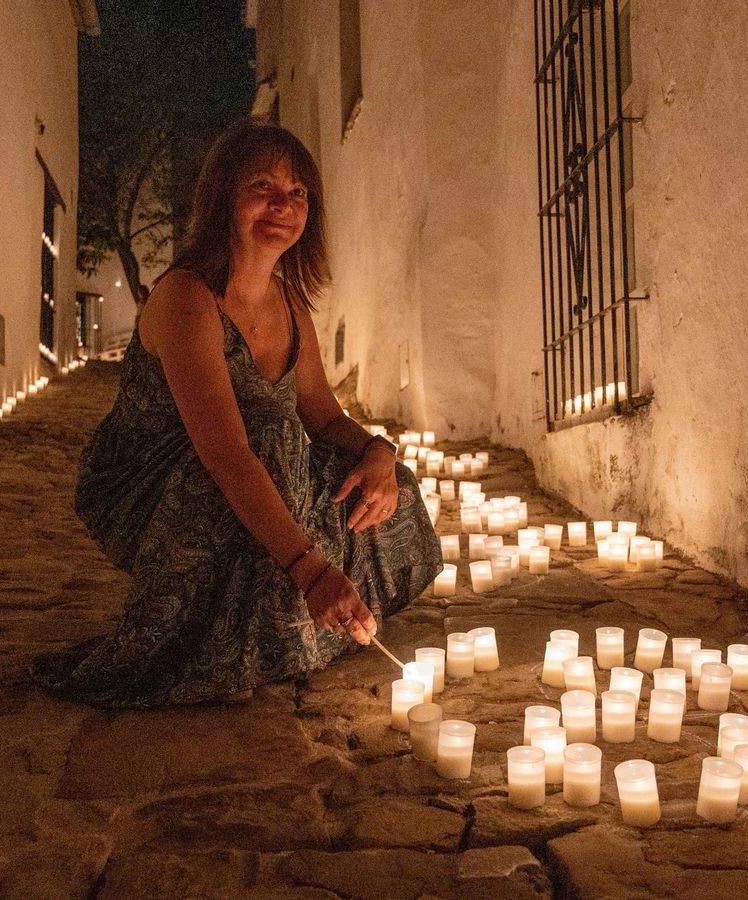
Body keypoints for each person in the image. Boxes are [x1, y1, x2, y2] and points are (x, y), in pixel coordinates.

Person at [30, 119, 442, 708]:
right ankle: (284, 621)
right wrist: (313, 571)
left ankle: (295, 626)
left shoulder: (291, 304)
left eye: (298, 192)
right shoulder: (186, 299)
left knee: (388, 490)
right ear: (223, 195)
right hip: (158, 485)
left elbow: (323, 417)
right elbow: (225, 453)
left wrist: (380, 453)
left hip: (256, 469)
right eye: (263, 186)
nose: (283, 204)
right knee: (273, 441)